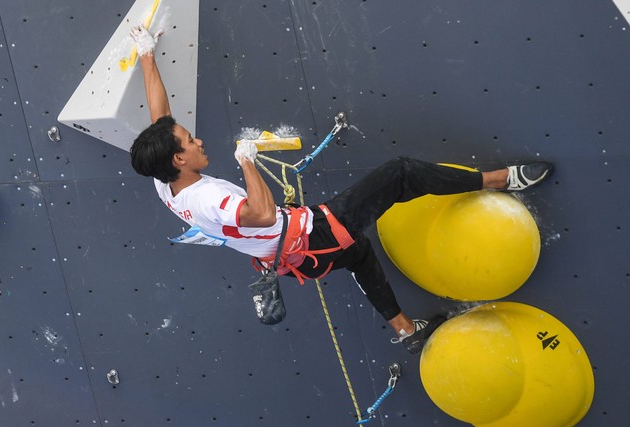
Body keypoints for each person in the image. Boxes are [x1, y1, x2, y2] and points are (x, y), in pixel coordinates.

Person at [128, 26, 553, 354]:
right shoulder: (207, 199)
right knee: (400, 173)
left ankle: (405, 330)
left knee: (362, 254)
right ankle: (502, 180)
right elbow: (259, 213)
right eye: (190, 141)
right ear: (179, 160)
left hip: (297, 258)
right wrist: (246, 160)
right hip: (315, 237)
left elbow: (160, 118)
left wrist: (148, 55)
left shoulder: (166, 183)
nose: (198, 140)